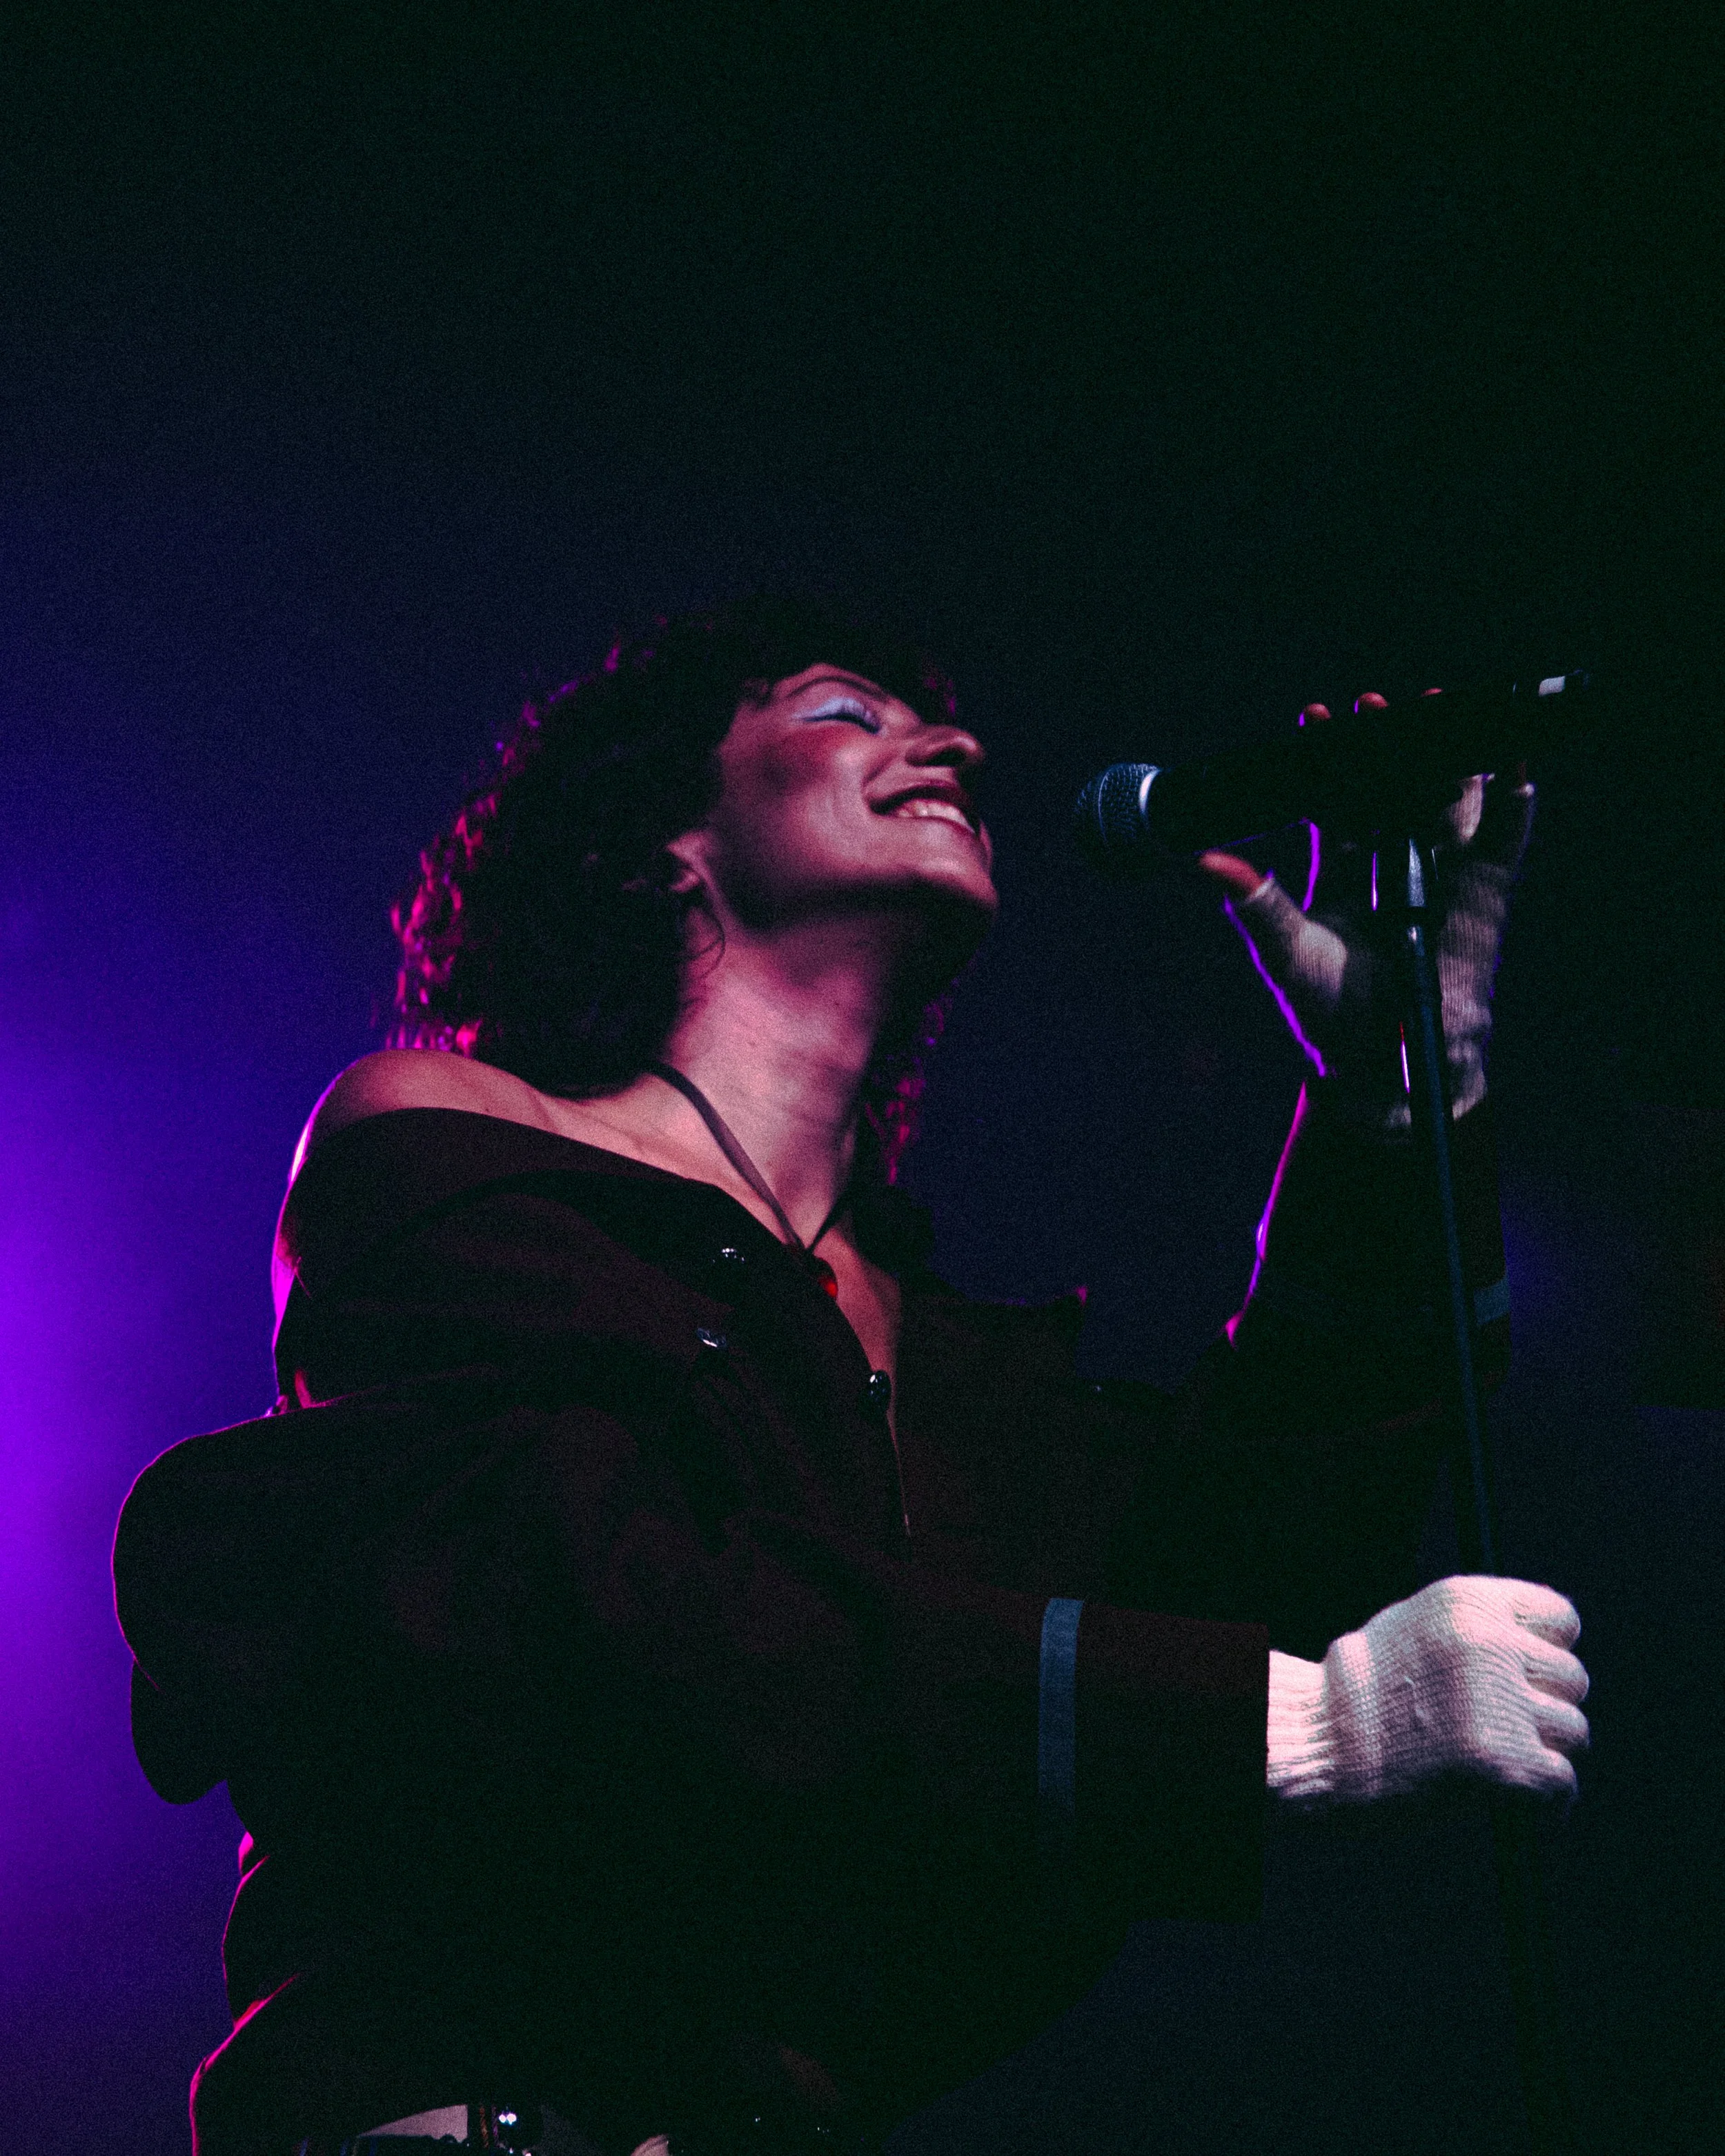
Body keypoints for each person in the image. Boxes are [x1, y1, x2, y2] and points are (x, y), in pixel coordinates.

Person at [114, 597, 1590, 2156]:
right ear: (668, 839)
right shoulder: (456, 1137)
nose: (948, 742)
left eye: (938, 720)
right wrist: (1286, 1727)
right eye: (843, 711)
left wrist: (1397, 1088)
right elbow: (590, 1602)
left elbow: (1233, 1580)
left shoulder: (949, 1354)